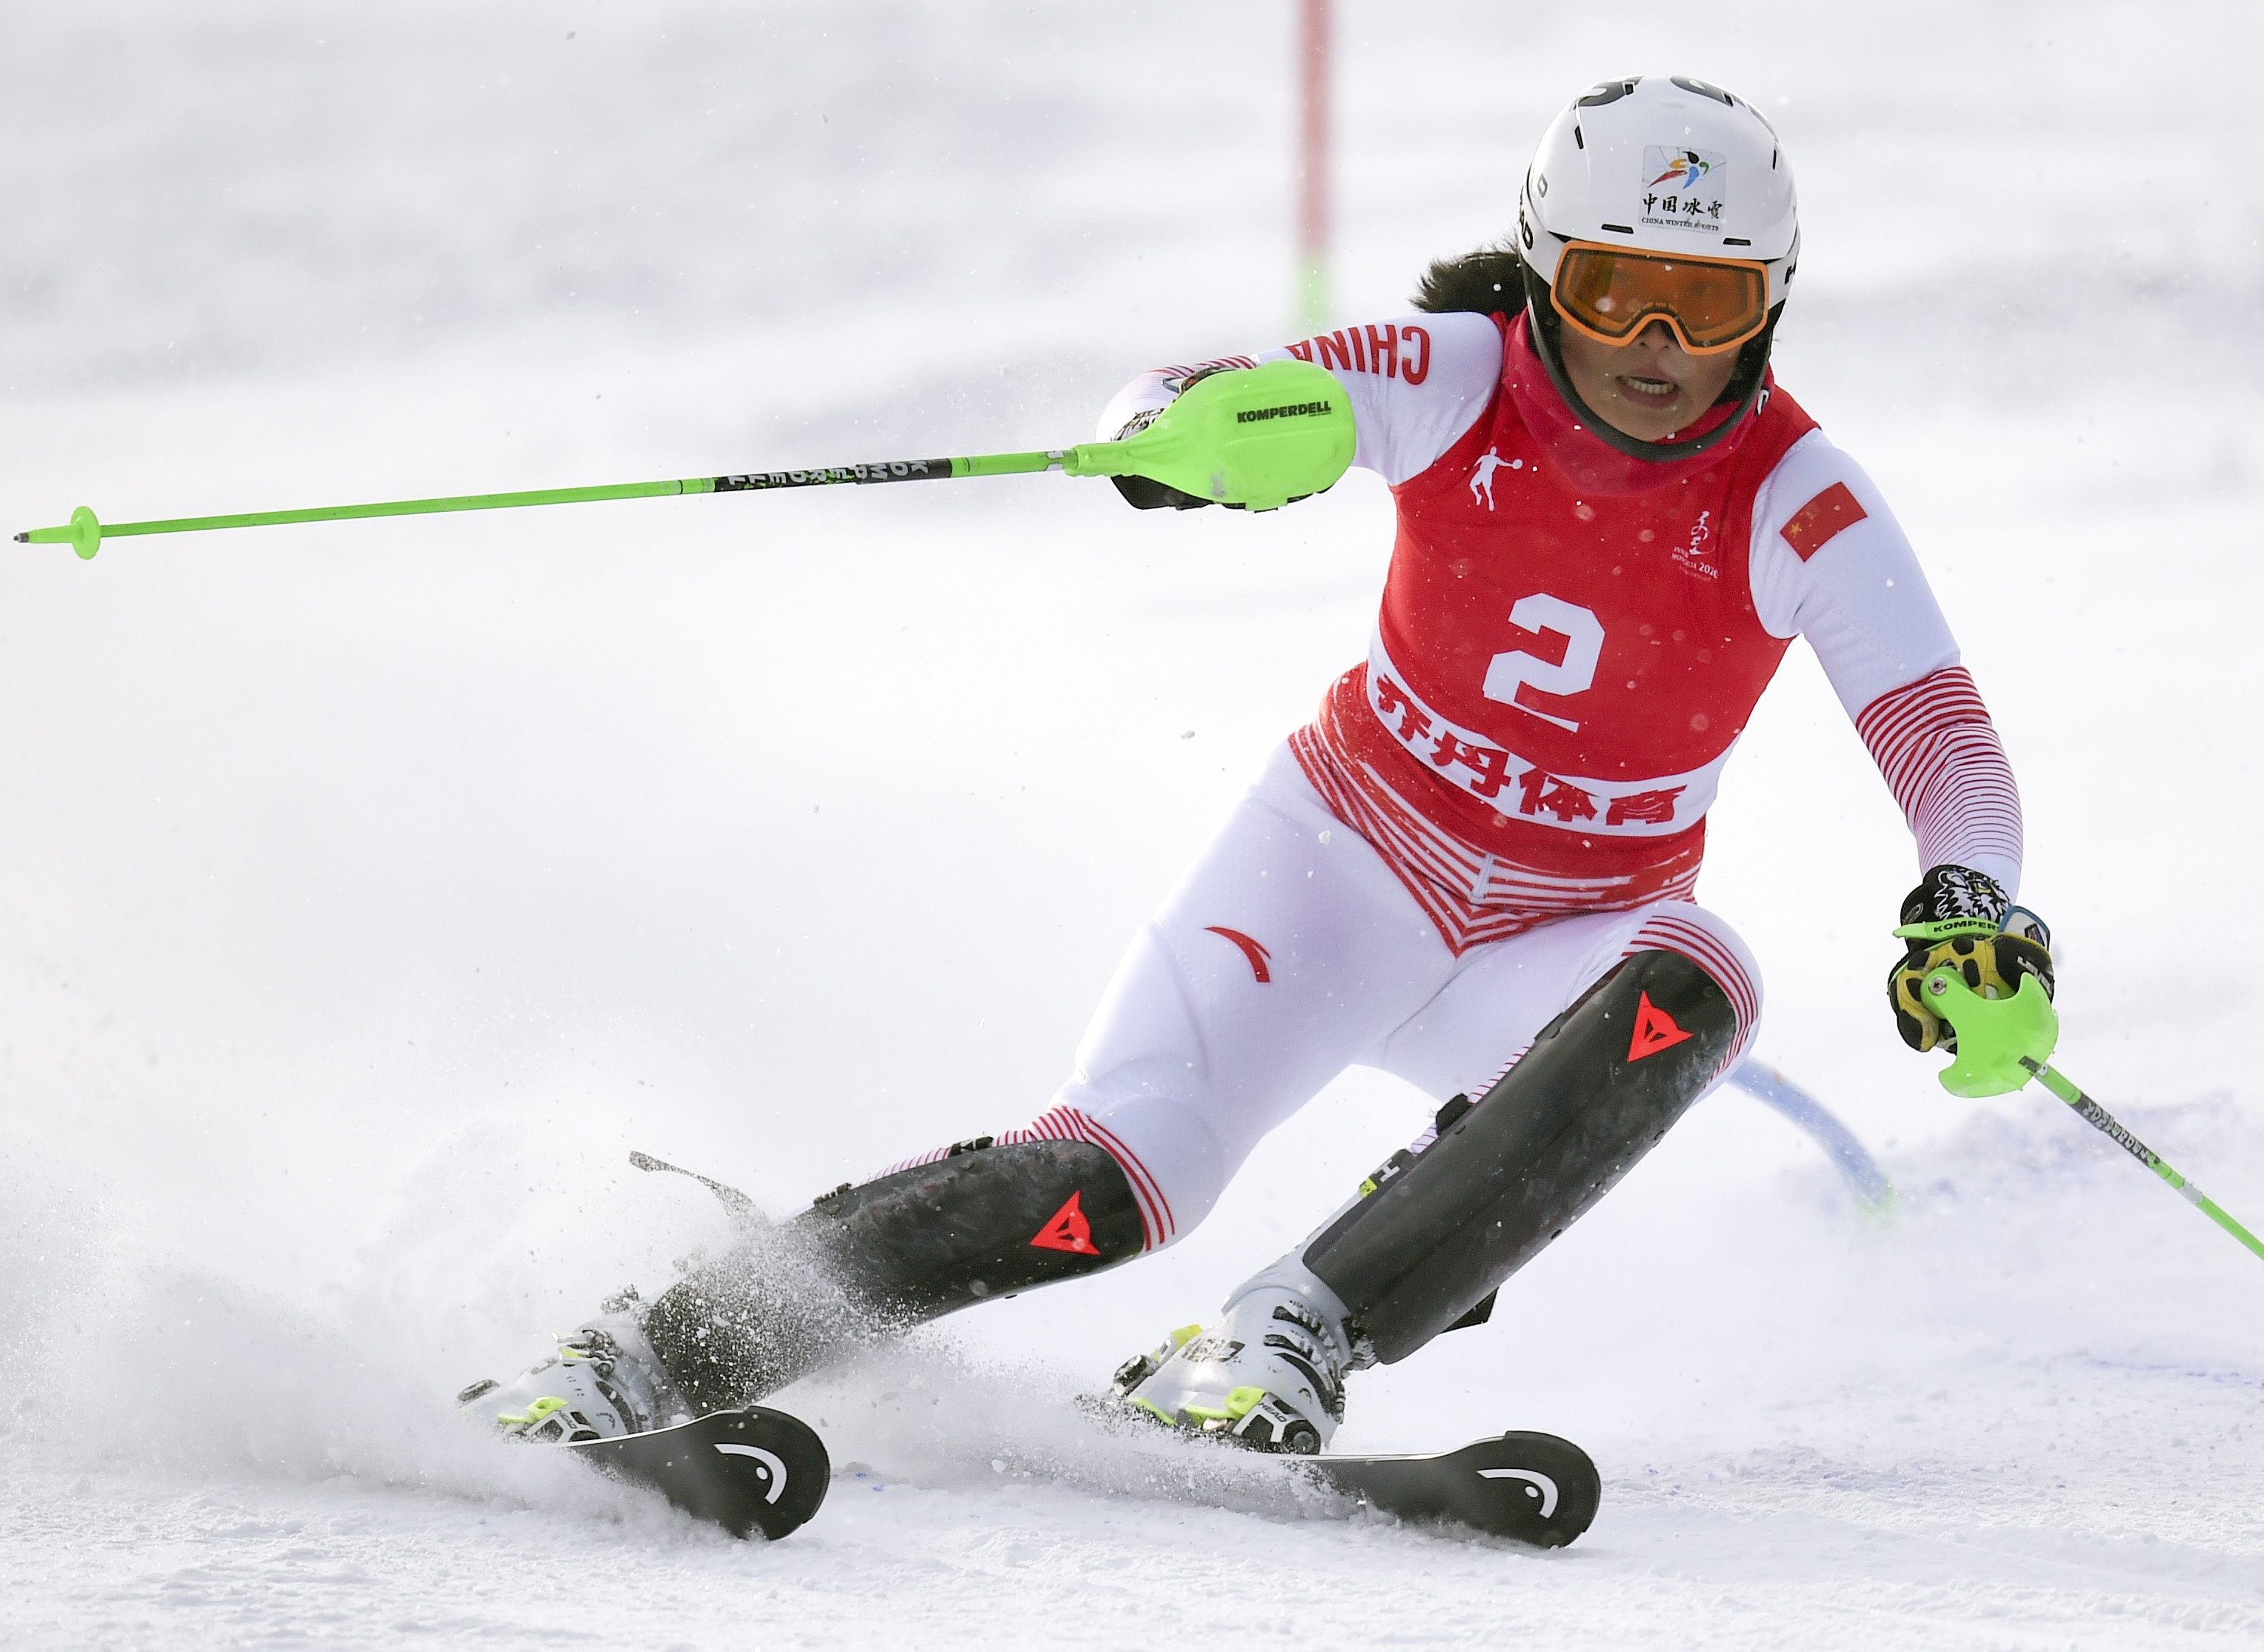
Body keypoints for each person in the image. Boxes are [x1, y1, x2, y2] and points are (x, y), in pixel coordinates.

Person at [457, 74, 2054, 1456]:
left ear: (1766, 306)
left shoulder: (1798, 493)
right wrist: (1204, 440)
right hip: (1339, 869)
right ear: (1540, 276)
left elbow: (1939, 736)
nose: (1650, 344)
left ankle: (1286, 1337)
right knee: (1110, 1182)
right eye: (1607, 290)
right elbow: (1174, 398)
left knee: (1702, 974)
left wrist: (1970, 895)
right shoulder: (1454, 373)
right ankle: (648, 1349)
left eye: (1701, 306)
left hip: (1562, 945)